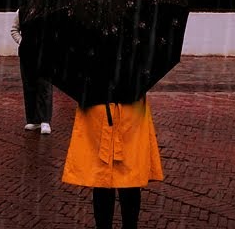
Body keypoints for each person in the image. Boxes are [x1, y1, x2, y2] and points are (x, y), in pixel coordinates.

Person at [63, 94, 162, 229]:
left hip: (102, 107)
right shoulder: (135, 79)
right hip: (126, 108)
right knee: (126, 177)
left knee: (105, 177)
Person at [14, 5, 53, 135]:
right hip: (27, 55)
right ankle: (32, 119)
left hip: (45, 54)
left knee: (44, 86)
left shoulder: (48, 11)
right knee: (29, 85)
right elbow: (14, 30)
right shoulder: (21, 12)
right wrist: (23, 42)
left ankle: (45, 120)